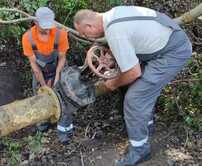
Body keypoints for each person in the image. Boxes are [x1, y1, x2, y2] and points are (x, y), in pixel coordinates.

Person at [74, 6, 192, 166]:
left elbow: (133, 73)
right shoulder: (113, 14)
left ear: (89, 26)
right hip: (167, 40)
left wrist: (111, 84)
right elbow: (133, 39)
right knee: (141, 90)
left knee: (135, 98)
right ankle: (145, 128)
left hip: (172, 52)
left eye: (83, 33)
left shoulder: (114, 31)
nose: (84, 36)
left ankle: (140, 150)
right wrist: (112, 55)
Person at [22, 7, 72, 143]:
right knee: (40, 97)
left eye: (50, 26)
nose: (48, 30)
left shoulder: (60, 34)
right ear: (36, 22)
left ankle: (65, 130)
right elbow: (34, 66)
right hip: (40, 71)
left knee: (64, 96)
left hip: (58, 68)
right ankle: (43, 125)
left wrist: (56, 80)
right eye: (45, 26)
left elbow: (62, 58)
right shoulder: (28, 38)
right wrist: (44, 86)